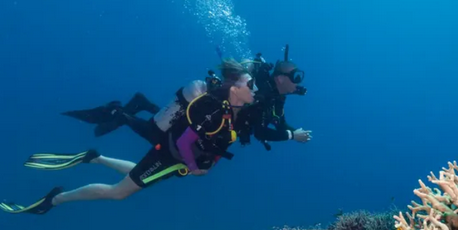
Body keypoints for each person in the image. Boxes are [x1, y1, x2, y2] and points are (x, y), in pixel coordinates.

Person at [0, 60, 257, 215]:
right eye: (250, 85)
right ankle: (52, 200)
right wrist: (193, 167)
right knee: (118, 192)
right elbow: (184, 142)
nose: (254, 89)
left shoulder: (233, 108)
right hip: (171, 155)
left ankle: (95, 158)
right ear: (234, 89)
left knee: (137, 174)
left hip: (174, 159)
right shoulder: (213, 108)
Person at [63, 45, 313, 150]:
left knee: (173, 127)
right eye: (295, 77)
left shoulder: (277, 97)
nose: (298, 82)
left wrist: (291, 130)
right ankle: (119, 112)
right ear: (280, 78)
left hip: (209, 119)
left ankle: (141, 104)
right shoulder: (263, 94)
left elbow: (278, 121)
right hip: (208, 114)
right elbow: (260, 131)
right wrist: (292, 136)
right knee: (159, 137)